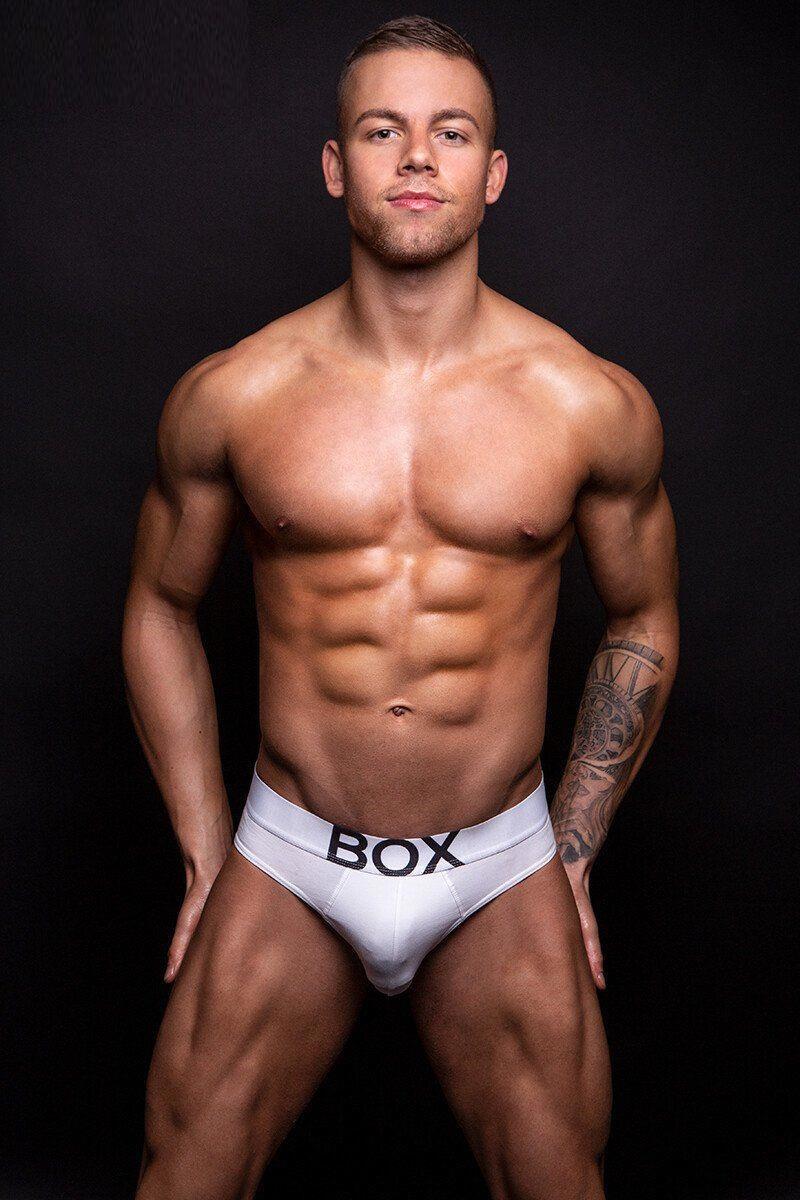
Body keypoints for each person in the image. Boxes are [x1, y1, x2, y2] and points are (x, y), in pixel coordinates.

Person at [122, 15, 679, 1200]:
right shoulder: (235, 393)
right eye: (383, 131)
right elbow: (161, 606)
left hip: (496, 865)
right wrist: (203, 847)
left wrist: (572, 849)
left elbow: (642, 617)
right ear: (337, 167)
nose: (417, 156)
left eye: (450, 133)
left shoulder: (585, 401)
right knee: (185, 1175)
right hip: (292, 857)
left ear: (493, 173)